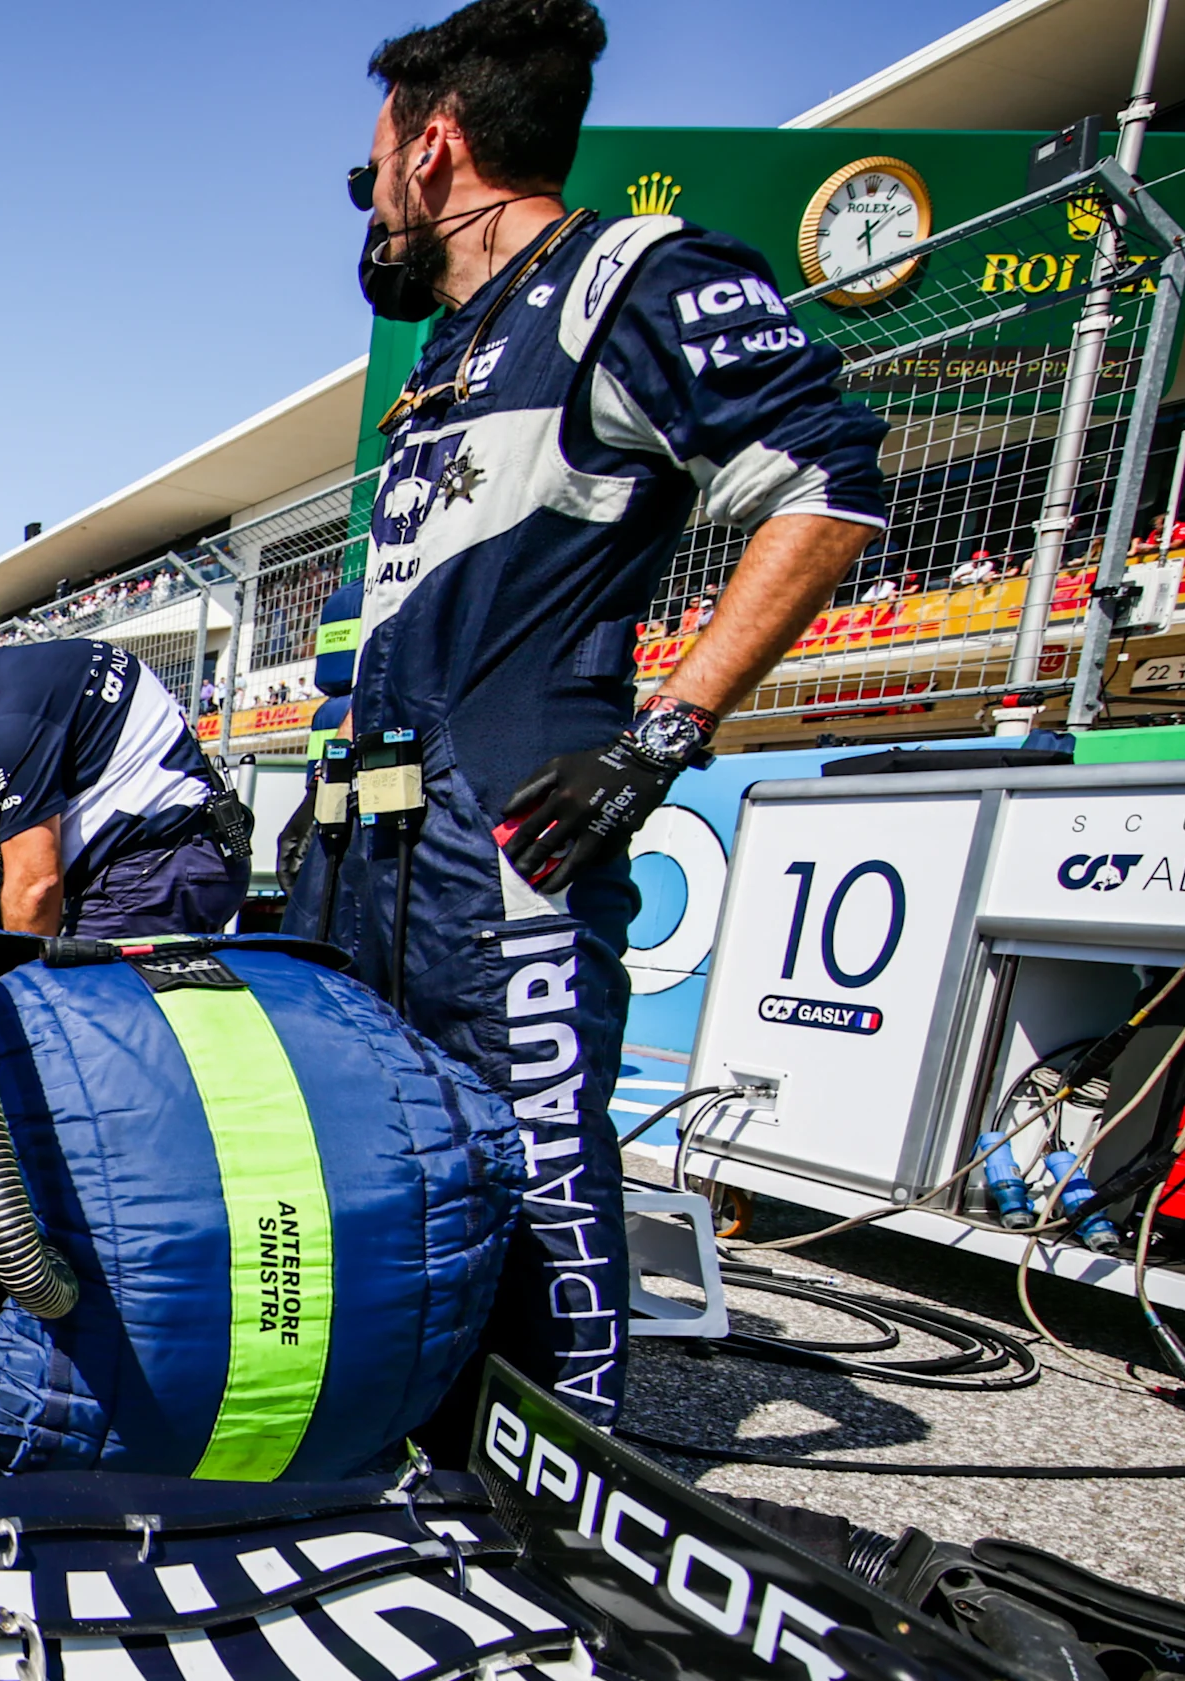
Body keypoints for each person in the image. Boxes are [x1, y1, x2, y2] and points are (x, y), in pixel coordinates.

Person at [296, 0, 883, 1433]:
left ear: (436, 150)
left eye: (371, 170)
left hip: (506, 825)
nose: (368, 204)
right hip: (370, 829)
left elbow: (831, 487)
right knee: (382, 1149)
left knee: (532, 1159)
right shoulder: (453, 340)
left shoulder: (628, 276)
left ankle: (563, 1487)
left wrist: (663, 737)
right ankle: (408, 1447)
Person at [0, 613, 242, 939]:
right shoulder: (53, 663)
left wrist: (19, 981)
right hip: (195, 855)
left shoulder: (10, 722)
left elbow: (35, 884)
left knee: (68, 1009)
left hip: (155, 871)